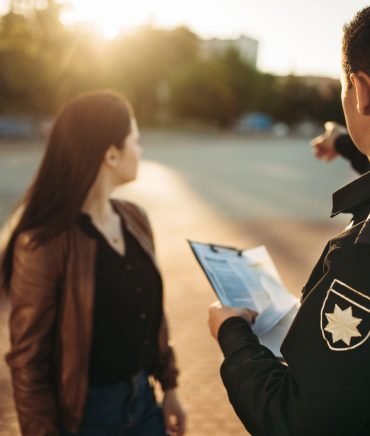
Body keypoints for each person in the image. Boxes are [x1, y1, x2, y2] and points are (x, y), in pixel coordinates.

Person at [208, 7, 370, 436]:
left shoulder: (358, 259)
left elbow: (295, 421)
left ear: (361, 89)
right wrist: (347, 142)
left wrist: (232, 334)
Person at [0, 91, 186, 436]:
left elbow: (153, 317)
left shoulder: (135, 218)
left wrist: (170, 387)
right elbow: (28, 363)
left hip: (145, 404)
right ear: (111, 155)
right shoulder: (44, 241)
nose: (141, 150)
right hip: (86, 417)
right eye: (136, 140)